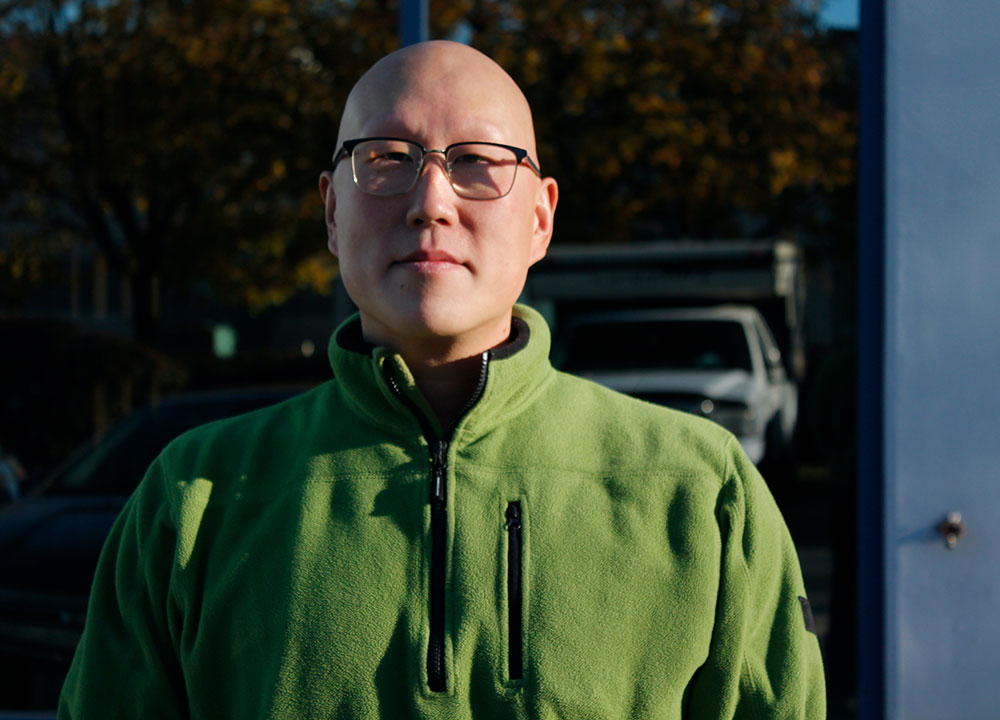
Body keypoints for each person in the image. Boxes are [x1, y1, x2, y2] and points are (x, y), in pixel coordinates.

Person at [59, 40, 824, 718]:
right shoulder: (197, 499)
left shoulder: (699, 490)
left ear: (540, 218)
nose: (431, 204)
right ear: (331, 211)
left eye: (477, 165)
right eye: (386, 160)